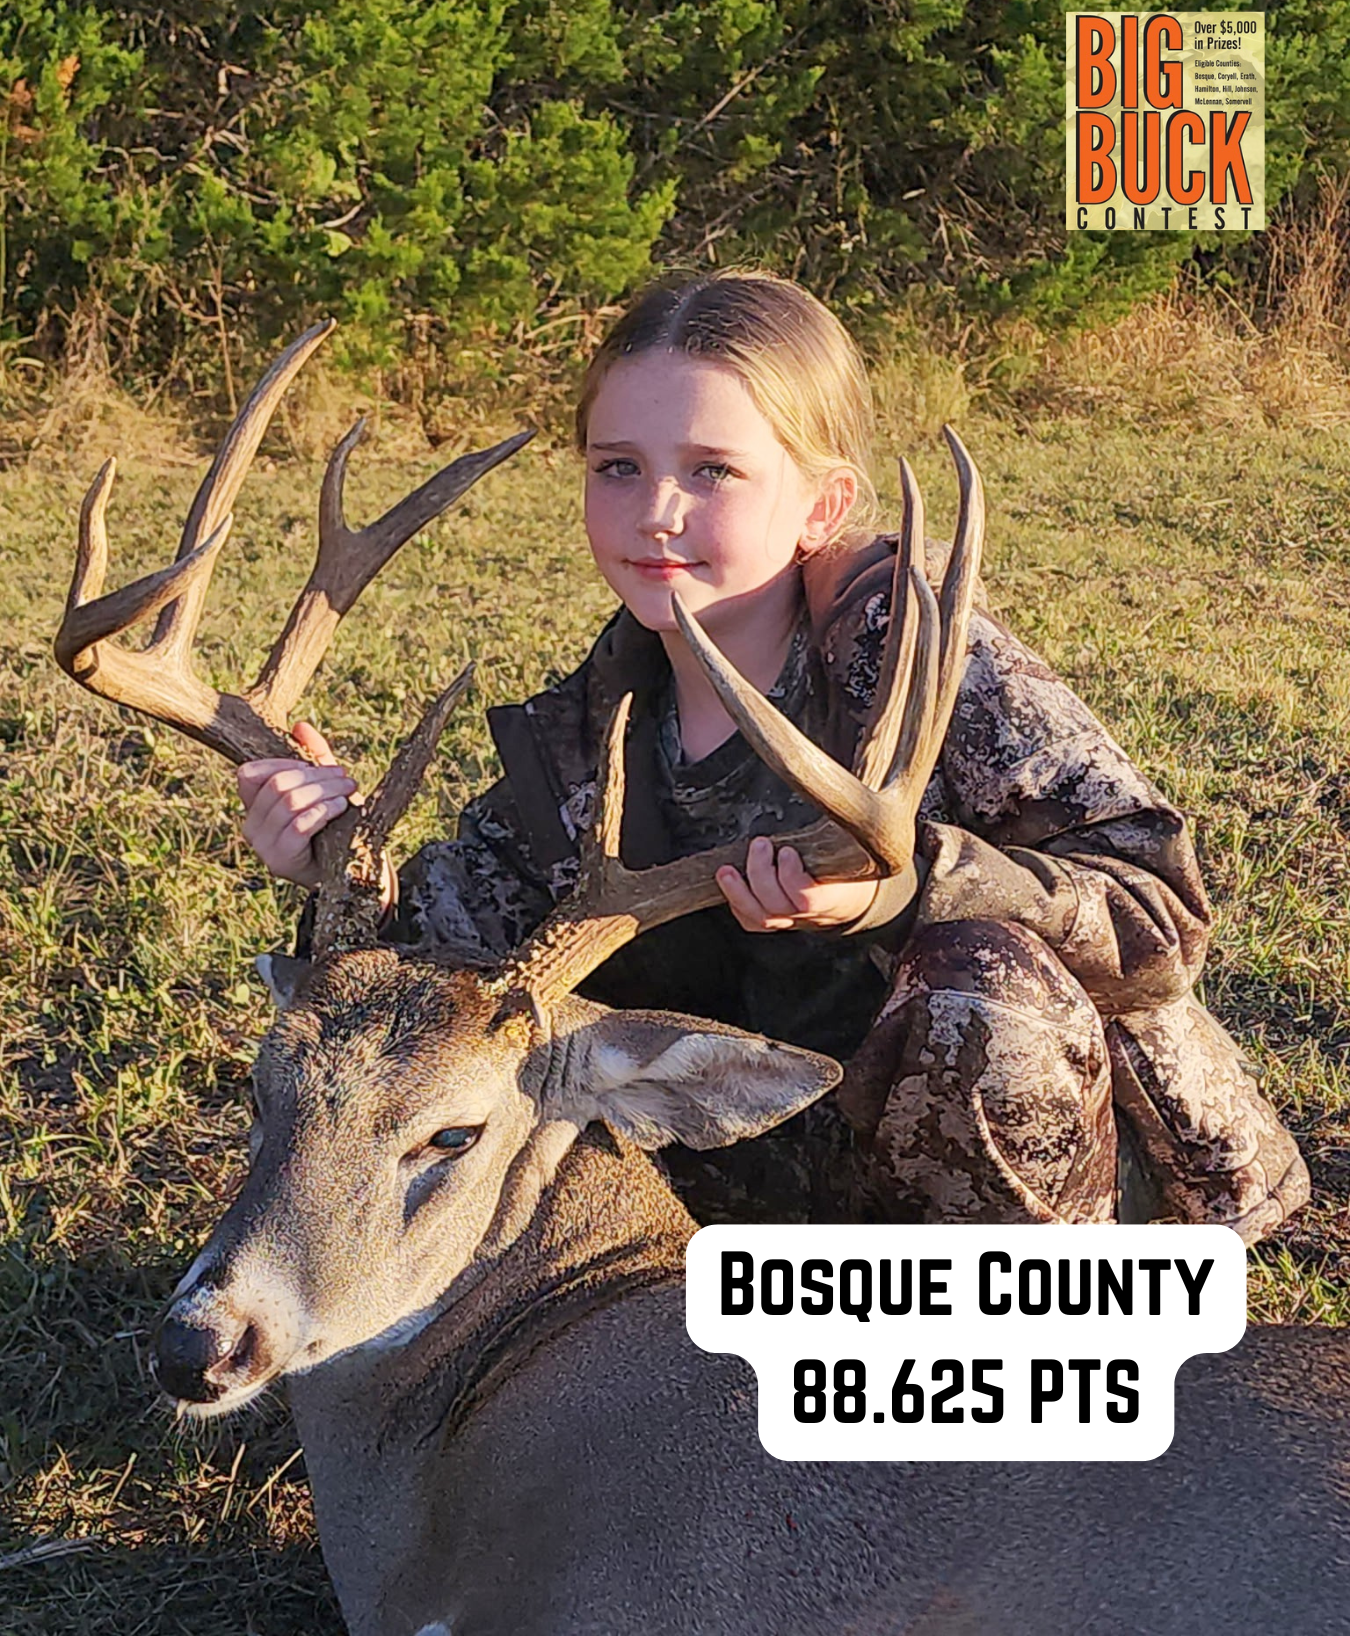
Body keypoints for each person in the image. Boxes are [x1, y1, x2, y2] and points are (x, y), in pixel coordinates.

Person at [235, 271, 1308, 1242]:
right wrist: (331, 867)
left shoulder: (920, 657)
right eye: (619, 466)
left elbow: (1158, 916)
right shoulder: (584, 740)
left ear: (821, 504)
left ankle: (1034, 1347)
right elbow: (436, 992)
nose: (656, 511)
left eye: (713, 470)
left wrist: (906, 888)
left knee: (976, 984)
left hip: (1077, 1184)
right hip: (779, 1194)